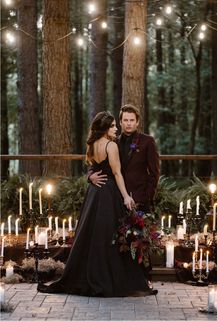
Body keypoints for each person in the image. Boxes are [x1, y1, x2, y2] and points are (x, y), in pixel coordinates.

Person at [38, 111, 155, 297]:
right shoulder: (111, 146)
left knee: (92, 235)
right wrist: (125, 196)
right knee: (110, 236)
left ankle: (89, 275)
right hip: (108, 192)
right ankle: (109, 277)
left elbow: (93, 166)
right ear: (105, 129)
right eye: (113, 126)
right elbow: (117, 174)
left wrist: (92, 177)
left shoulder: (92, 145)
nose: (117, 128)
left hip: (94, 194)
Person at [89, 104, 160, 284]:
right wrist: (90, 176)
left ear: (137, 122)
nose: (128, 124)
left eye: (132, 120)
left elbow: (154, 173)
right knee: (120, 241)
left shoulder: (147, 141)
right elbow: (96, 165)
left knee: (140, 239)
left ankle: (144, 277)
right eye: (125, 120)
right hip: (115, 198)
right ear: (120, 122)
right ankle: (124, 278)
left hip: (138, 198)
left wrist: (146, 197)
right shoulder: (112, 141)